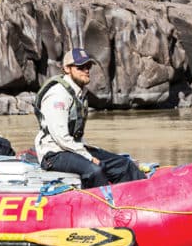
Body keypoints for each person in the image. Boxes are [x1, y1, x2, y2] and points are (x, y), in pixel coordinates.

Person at [34, 47, 145, 188]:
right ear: (67, 69)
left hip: (70, 149)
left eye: (88, 66)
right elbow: (61, 137)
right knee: (94, 171)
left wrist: (90, 152)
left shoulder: (79, 93)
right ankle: (106, 205)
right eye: (80, 67)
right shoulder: (58, 96)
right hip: (53, 155)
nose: (86, 70)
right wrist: (88, 157)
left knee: (123, 164)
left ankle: (139, 195)